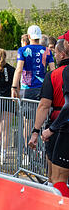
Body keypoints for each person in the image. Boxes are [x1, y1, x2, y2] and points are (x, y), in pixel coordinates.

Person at [30, 39, 69, 195]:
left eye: (55, 53)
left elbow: (44, 106)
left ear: (61, 53)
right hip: (60, 125)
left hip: (60, 125)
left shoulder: (54, 74)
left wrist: (35, 131)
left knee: (57, 177)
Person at [14, 25, 55, 100]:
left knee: (26, 111)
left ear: (29, 36)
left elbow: (19, 70)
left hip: (26, 88)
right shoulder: (47, 51)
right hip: (43, 88)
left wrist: (14, 87)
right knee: (41, 110)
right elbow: (53, 71)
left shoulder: (22, 50)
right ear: (39, 37)